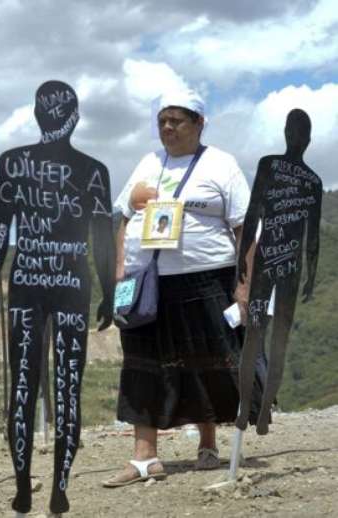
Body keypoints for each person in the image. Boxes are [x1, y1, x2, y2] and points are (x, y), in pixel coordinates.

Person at [104, 89, 252, 487]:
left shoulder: (222, 165)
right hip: (141, 281)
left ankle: (207, 443)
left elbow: (244, 228)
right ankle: (144, 459)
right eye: (162, 120)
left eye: (177, 120)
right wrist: (119, 271)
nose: (167, 127)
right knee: (141, 362)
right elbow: (121, 218)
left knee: (204, 360)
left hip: (207, 278)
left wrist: (245, 287)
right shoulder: (147, 163)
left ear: (199, 123)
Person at [0, 80, 115, 514]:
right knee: (67, 389)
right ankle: (58, 488)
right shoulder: (94, 170)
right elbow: (103, 241)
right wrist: (109, 292)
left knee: (23, 389)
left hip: (27, 284)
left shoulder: (13, 163)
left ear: (38, 115)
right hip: (73, 285)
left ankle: (24, 489)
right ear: (73, 118)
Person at [235, 109, 321, 435]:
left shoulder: (275, 167)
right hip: (283, 266)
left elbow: (257, 210)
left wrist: (243, 256)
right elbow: (255, 210)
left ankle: (254, 409)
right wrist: (243, 256)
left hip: (276, 264)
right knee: (265, 339)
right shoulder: (301, 177)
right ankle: (251, 407)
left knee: (264, 338)